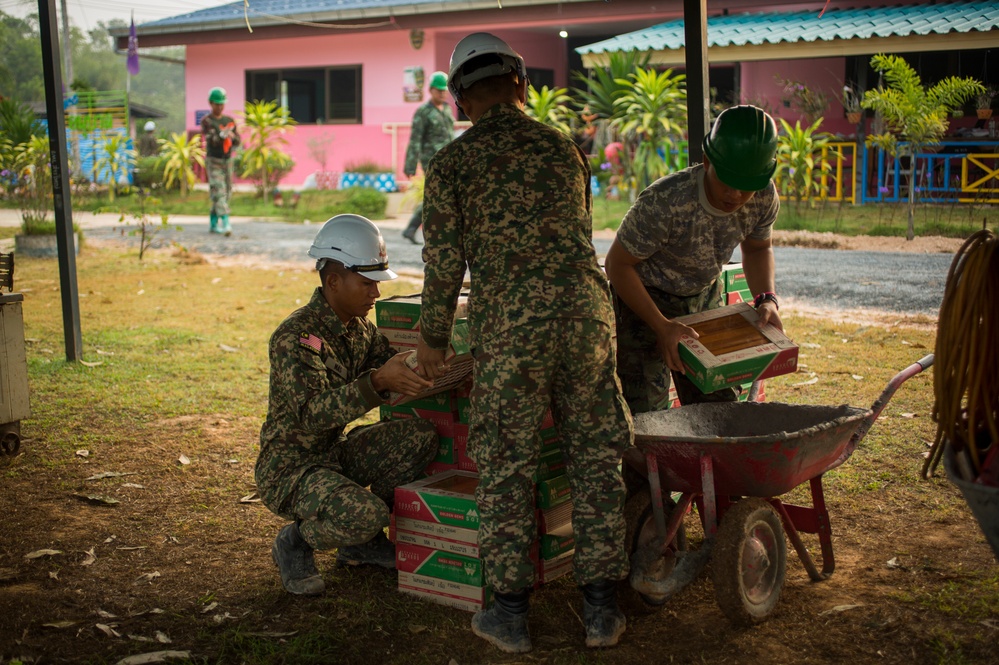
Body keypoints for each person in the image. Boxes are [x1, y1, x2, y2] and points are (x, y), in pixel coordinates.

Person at [414, 32, 633, 653]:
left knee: (507, 461)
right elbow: (578, 236)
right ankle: (600, 612)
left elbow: (444, 264)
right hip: (588, 319)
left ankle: (508, 613)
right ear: (520, 83)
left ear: (459, 100)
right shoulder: (565, 148)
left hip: (512, 329)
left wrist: (432, 339)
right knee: (595, 458)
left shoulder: (453, 164)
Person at [256, 214, 439, 596]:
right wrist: (377, 382)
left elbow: (390, 362)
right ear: (334, 281)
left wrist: (431, 362)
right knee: (367, 513)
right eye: (367, 283)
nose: (375, 294)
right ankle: (296, 541)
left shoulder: (359, 329)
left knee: (420, 437)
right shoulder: (297, 337)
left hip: (332, 456)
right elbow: (312, 413)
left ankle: (359, 541)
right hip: (290, 468)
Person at [604, 104, 784, 414]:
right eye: (727, 182)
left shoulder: (764, 195)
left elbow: (757, 249)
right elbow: (617, 265)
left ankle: (709, 464)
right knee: (648, 415)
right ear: (706, 161)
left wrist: (766, 298)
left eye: (747, 188)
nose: (736, 196)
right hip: (645, 300)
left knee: (718, 404)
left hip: (703, 298)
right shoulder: (666, 200)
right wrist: (662, 326)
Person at [401, 71, 455, 244]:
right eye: (439, 90)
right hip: (432, 161)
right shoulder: (423, 112)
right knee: (437, 194)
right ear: (431, 90)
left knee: (438, 195)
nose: (442, 93)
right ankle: (417, 229)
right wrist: (410, 165)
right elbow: (415, 139)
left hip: (449, 160)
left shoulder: (447, 109)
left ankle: (412, 229)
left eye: (444, 90)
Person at [200, 87, 241, 236]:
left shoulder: (229, 121)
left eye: (222, 103)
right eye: (217, 104)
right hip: (214, 161)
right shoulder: (207, 121)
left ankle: (213, 222)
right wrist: (221, 136)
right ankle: (225, 222)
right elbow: (211, 139)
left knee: (226, 192)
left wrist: (231, 136)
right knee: (219, 190)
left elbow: (237, 141)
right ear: (211, 103)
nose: (220, 106)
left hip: (227, 160)